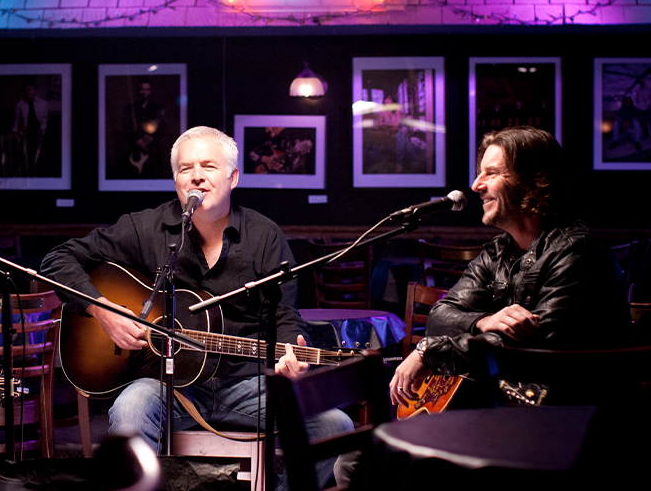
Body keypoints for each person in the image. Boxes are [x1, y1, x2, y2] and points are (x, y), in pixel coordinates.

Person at [41, 126, 354, 488]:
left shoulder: (264, 235)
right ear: (175, 180)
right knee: (130, 408)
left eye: (208, 166)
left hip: (247, 383)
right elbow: (57, 260)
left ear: (233, 177)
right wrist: (102, 309)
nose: (197, 176)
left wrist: (290, 354)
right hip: (167, 386)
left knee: (336, 426)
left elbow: (284, 314)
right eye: (185, 168)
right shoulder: (146, 228)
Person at [389, 126, 631, 408]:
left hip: (574, 417)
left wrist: (429, 352)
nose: (476, 185)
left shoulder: (578, 251)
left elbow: (529, 349)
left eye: (491, 173)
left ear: (533, 182)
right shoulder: (500, 250)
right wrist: (483, 321)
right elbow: (439, 316)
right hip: (514, 405)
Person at [120, 80, 168, 178]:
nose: (144, 92)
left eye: (147, 89)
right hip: (134, 150)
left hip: (153, 151)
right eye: (142, 89)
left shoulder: (157, 108)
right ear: (138, 91)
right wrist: (137, 141)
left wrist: (151, 139)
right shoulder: (130, 108)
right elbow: (125, 127)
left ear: (150, 91)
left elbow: (162, 127)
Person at [12, 82, 48, 176]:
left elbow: (44, 119)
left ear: (35, 90)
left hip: (39, 133)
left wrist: (42, 130)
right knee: (26, 158)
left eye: (30, 89)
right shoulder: (20, 104)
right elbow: (16, 120)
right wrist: (15, 132)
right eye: (26, 90)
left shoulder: (43, 103)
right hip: (26, 134)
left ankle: (40, 177)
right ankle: (28, 176)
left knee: (39, 158)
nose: (28, 92)